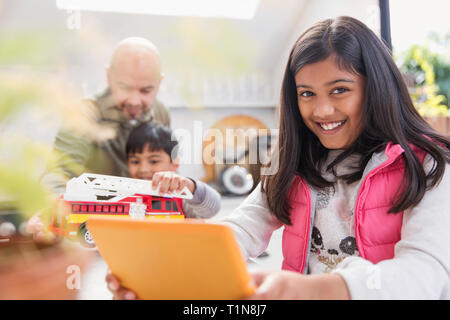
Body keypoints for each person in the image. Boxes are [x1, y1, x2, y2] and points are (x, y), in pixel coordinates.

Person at [106, 16, 450, 300]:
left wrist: (320, 290)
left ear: (375, 86)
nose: (322, 109)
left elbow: (425, 274)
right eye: (306, 94)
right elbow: (240, 228)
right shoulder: (292, 162)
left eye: (340, 90)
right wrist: (163, 271)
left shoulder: (429, 164)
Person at [27, 37, 170, 242]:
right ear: (109, 76)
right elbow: (58, 172)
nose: (135, 101)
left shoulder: (161, 113)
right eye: (125, 88)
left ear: (160, 83)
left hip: (144, 232)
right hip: (95, 235)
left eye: (146, 90)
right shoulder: (84, 115)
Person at [125, 122, 221, 218]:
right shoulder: (123, 195)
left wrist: (191, 187)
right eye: (135, 162)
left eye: (154, 161)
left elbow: (213, 209)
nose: (143, 169)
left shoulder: (182, 197)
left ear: (175, 164)